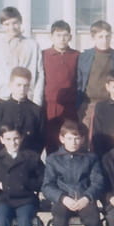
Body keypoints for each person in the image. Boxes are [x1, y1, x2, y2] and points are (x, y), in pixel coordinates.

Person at [42, 120, 106, 226]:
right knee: (60, 222)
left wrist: (87, 197)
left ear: (82, 139)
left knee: (94, 220)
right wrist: (62, 198)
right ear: (62, 138)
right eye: (69, 138)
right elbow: (47, 186)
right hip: (63, 199)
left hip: (84, 198)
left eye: (77, 138)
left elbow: (98, 182)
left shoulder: (90, 158)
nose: (73, 142)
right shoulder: (53, 159)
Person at [77, 20, 114, 135]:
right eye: (101, 37)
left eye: (107, 36)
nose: (104, 40)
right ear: (93, 37)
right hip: (89, 105)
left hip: (110, 104)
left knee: (109, 136)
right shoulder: (84, 57)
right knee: (87, 136)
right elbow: (79, 82)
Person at [0, 6, 44, 104]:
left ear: (20, 22)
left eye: (15, 23)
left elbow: (40, 74)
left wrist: (37, 100)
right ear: (2, 26)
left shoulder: (32, 45)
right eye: (7, 24)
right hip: (4, 98)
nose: (11, 27)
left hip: (28, 98)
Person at [42, 20, 80, 154]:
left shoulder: (76, 55)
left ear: (70, 37)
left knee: (70, 140)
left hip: (71, 107)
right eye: (58, 35)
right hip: (50, 106)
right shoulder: (44, 55)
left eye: (65, 35)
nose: (62, 39)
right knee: (51, 141)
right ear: (51, 37)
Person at [0, 67, 43, 153]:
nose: (22, 89)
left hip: (29, 157)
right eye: (18, 85)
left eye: (25, 85)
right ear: (10, 85)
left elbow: (40, 140)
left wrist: (30, 157)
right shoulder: (1, 110)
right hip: (5, 158)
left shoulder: (36, 111)